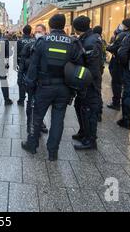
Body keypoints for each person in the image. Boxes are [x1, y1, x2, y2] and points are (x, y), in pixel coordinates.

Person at [23, 14, 83, 160]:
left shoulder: (42, 41)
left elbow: (33, 66)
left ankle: (32, 145)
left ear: (50, 26)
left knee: (36, 117)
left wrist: (29, 86)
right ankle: (53, 152)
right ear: (64, 25)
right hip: (64, 88)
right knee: (58, 120)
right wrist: (74, 89)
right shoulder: (74, 43)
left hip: (44, 86)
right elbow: (79, 68)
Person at [72, 16, 103, 150]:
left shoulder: (90, 42)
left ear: (76, 28)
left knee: (89, 110)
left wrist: (85, 82)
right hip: (84, 81)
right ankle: (83, 132)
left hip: (89, 83)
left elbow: (93, 68)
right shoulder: (86, 38)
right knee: (79, 106)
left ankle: (91, 140)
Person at [106, 19, 130, 110]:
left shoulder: (122, 35)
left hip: (119, 62)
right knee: (128, 85)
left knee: (116, 83)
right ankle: (126, 103)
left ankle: (116, 103)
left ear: (125, 26)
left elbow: (114, 48)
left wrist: (107, 47)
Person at [17, 25, 36, 107]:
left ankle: (21, 99)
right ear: (30, 31)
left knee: (21, 81)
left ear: (23, 31)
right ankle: (31, 98)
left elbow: (17, 54)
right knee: (32, 80)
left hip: (22, 63)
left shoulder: (20, 41)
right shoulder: (35, 40)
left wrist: (17, 64)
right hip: (32, 64)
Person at [93, 25, 107, 122]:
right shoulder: (102, 41)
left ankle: (97, 112)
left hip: (95, 67)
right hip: (100, 67)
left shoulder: (93, 40)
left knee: (94, 90)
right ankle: (99, 111)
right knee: (98, 89)